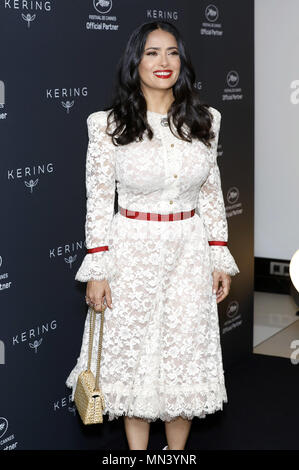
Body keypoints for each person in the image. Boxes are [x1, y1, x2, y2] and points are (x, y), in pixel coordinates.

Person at [66, 20, 240, 451]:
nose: (163, 62)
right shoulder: (107, 126)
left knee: (182, 359)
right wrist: (98, 268)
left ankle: (175, 455)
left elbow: (213, 193)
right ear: (135, 62)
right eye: (152, 53)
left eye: (172, 53)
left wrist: (219, 254)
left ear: (182, 61)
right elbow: (97, 201)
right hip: (131, 254)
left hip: (189, 250)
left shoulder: (205, 120)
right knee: (137, 361)